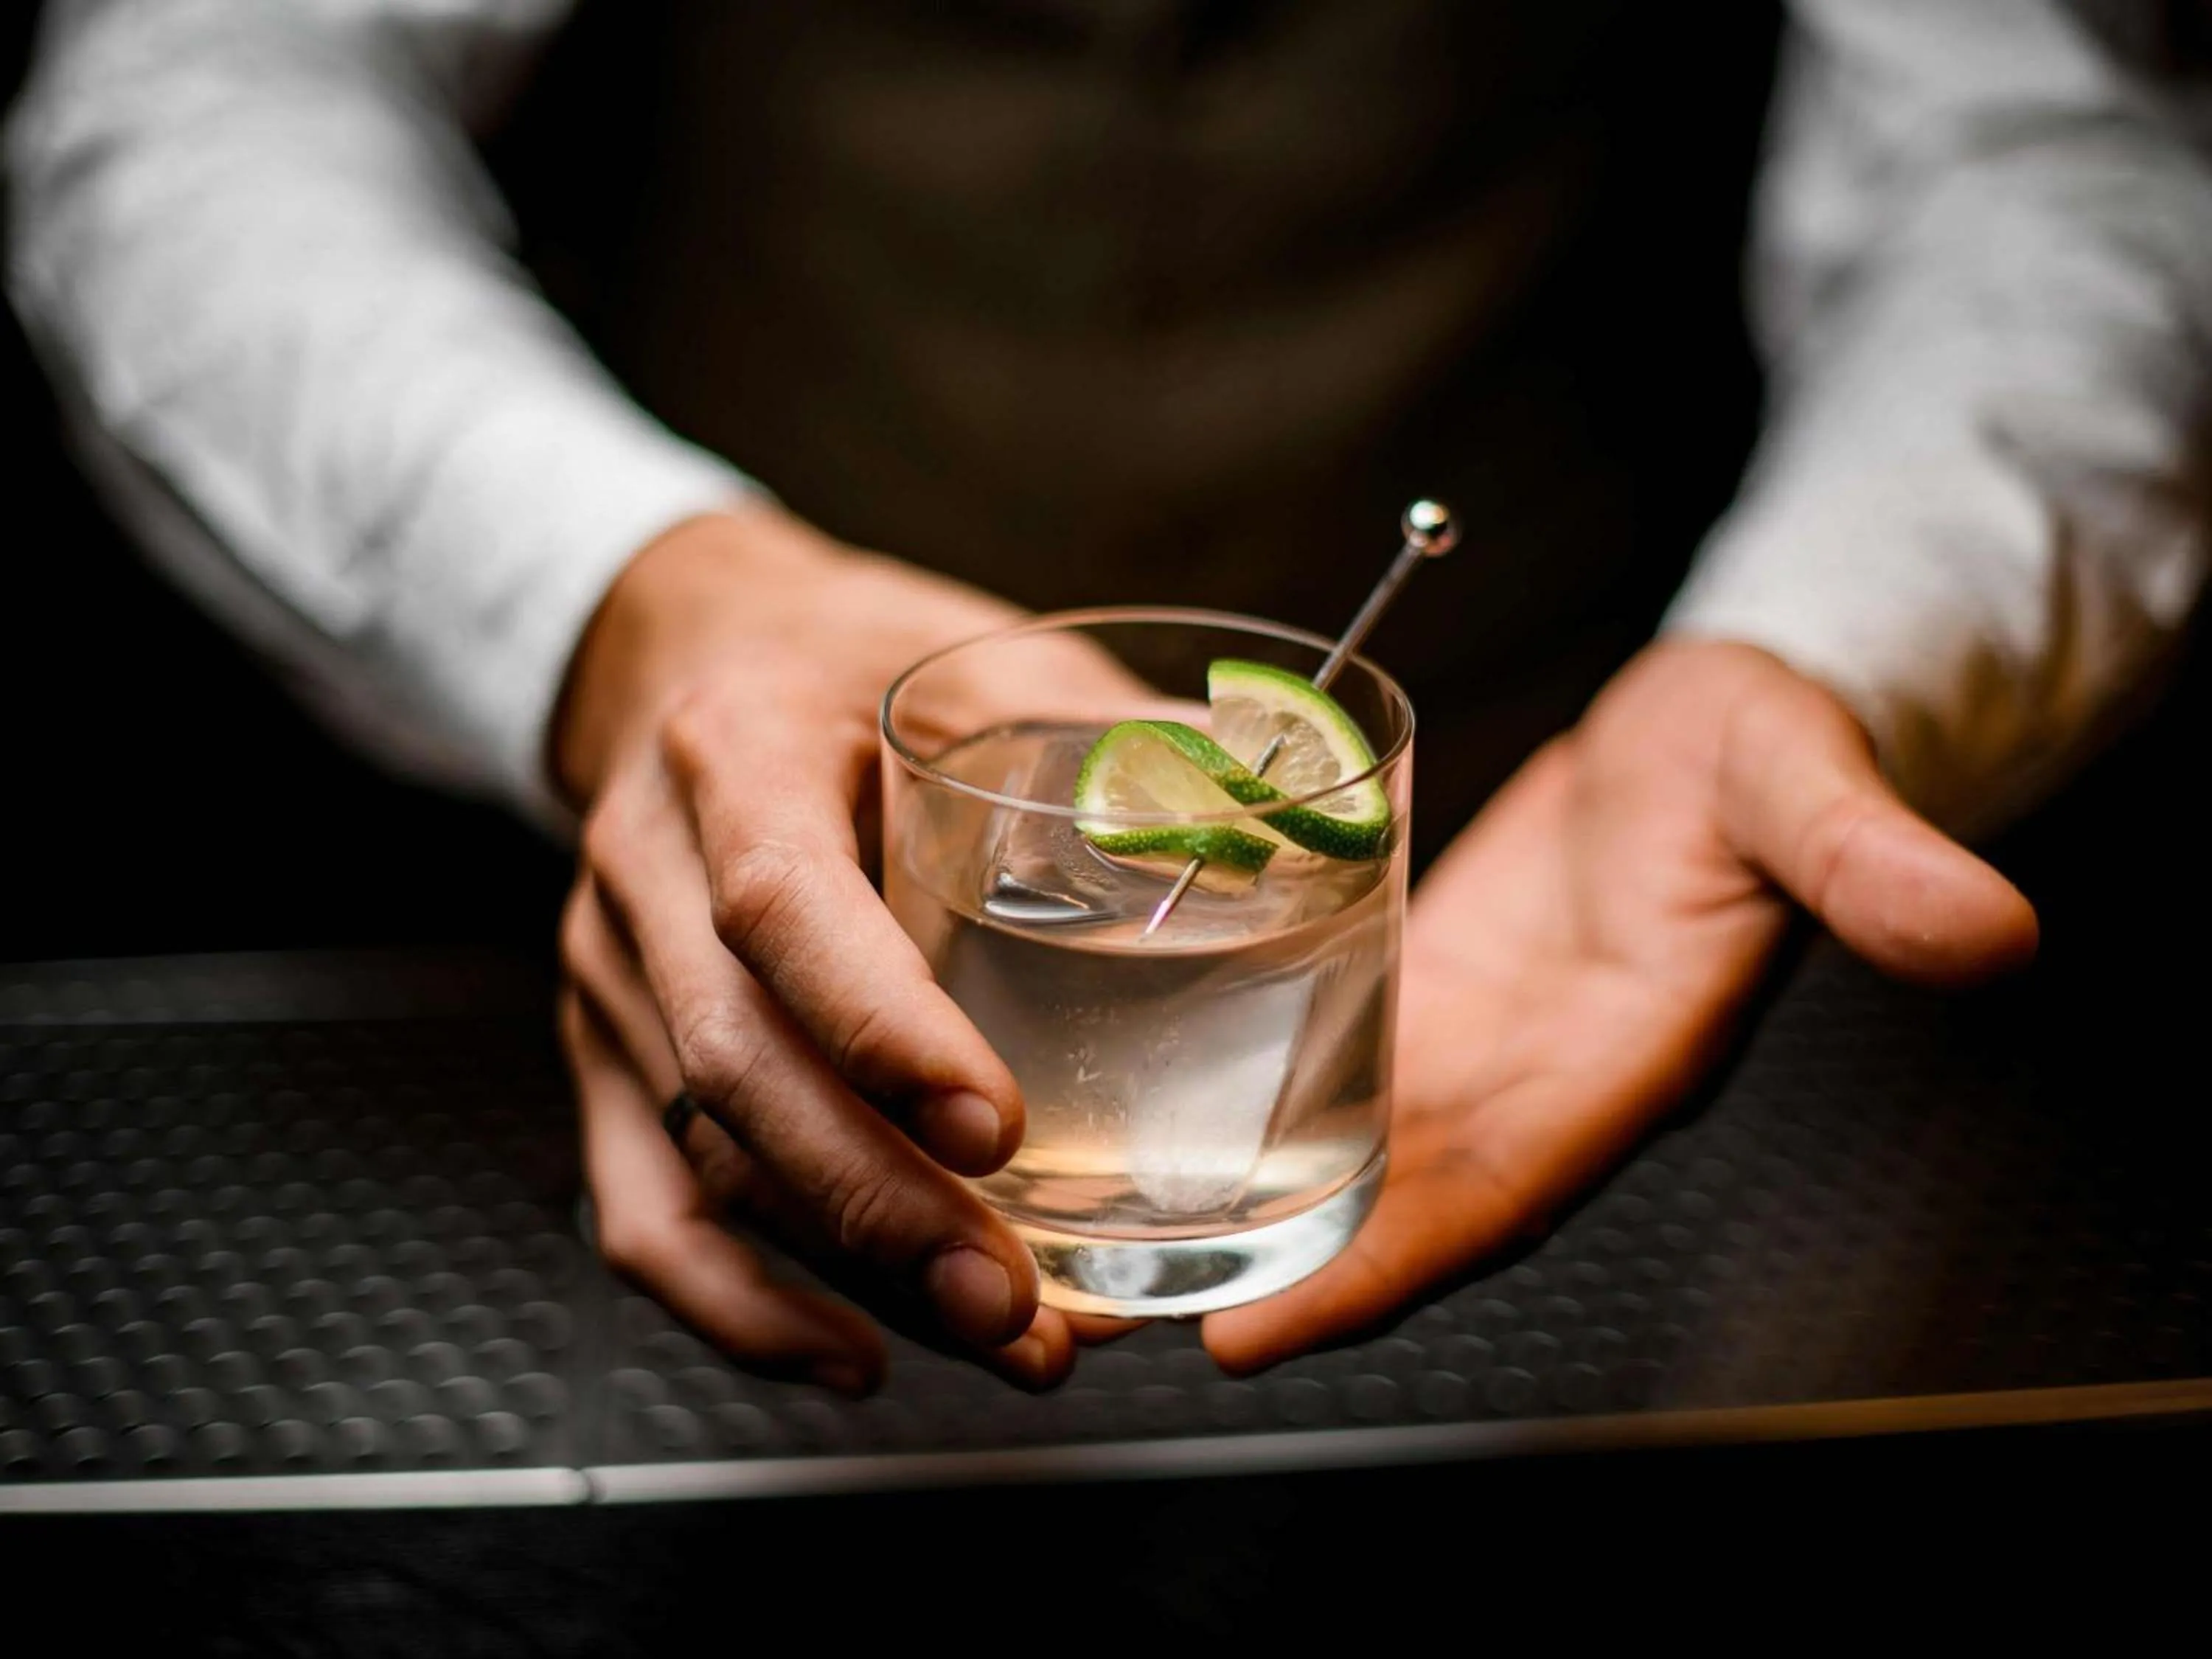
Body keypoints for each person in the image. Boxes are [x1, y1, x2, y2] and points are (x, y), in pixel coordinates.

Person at [7, 0, 2205, 1396]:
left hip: (1530, 873)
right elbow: (205, 86)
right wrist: (622, 599)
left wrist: (1825, 637)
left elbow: (2045, 146)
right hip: (715, 871)